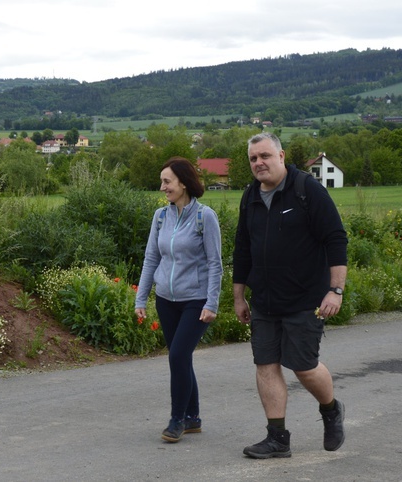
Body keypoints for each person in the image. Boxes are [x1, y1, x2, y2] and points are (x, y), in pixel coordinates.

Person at [233, 132, 348, 458]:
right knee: (266, 364)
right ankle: (277, 438)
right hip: (265, 300)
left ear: (281, 156)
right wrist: (239, 296)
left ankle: (330, 409)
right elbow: (243, 249)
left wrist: (335, 290)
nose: (259, 163)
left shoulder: (306, 190)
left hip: (305, 299)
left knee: (303, 365)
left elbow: (336, 239)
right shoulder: (250, 197)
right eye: (253, 158)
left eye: (265, 156)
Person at [135, 157, 223, 443]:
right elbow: (151, 258)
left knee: (177, 356)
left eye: (167, 181)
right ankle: (194, 417)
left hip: (195, 301)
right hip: (165, 299)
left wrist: (211, 303)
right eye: (162, 181)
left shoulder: (204, 217)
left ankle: (177, 419)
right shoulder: (161, 217)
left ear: (183, 183)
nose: (162, 187)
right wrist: (141, 299)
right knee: (181, 359)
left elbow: (215, 263)